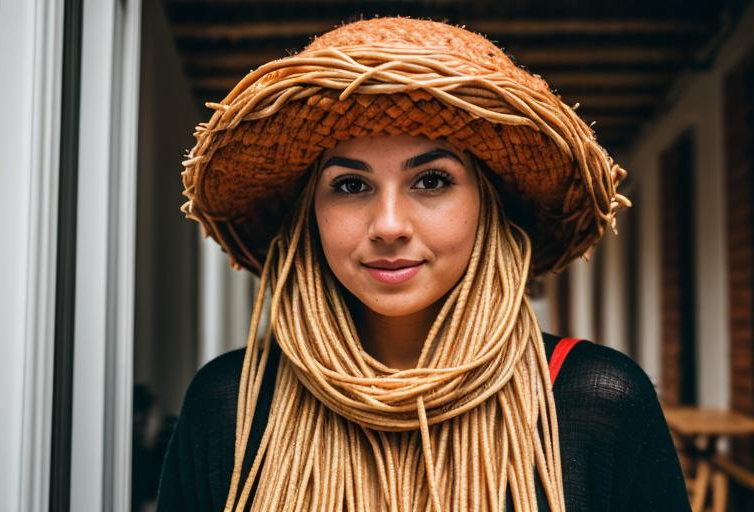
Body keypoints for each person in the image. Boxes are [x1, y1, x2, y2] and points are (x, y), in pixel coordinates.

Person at [157, 17, 690, 511]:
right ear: (308, 217)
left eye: (432, 180)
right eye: (350, 185)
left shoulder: (597, 400)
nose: (389, 224)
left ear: (489, 205)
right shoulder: (229, 406)